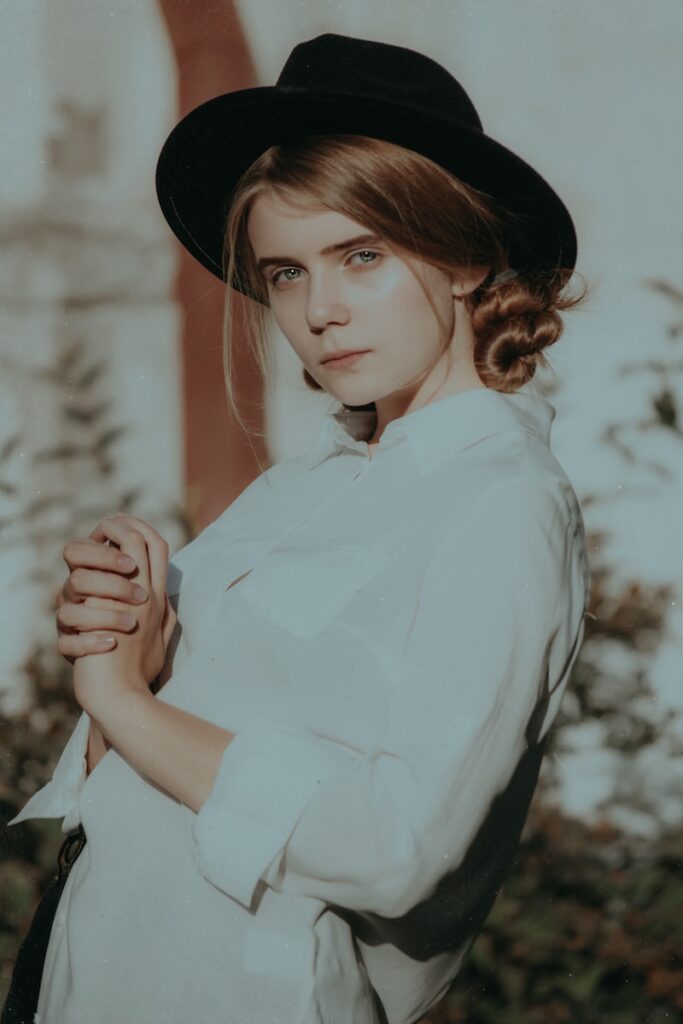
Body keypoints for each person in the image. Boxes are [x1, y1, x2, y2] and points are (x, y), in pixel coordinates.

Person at [6, 32, 592, 1024]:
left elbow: (396, 846)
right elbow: (148, 780)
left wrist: (122, 701)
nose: (319, 310)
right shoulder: (312, 478)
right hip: (95, 974)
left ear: (460, 256)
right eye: (284, 272)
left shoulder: (500, 500)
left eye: (359, 256)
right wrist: (132, 640)